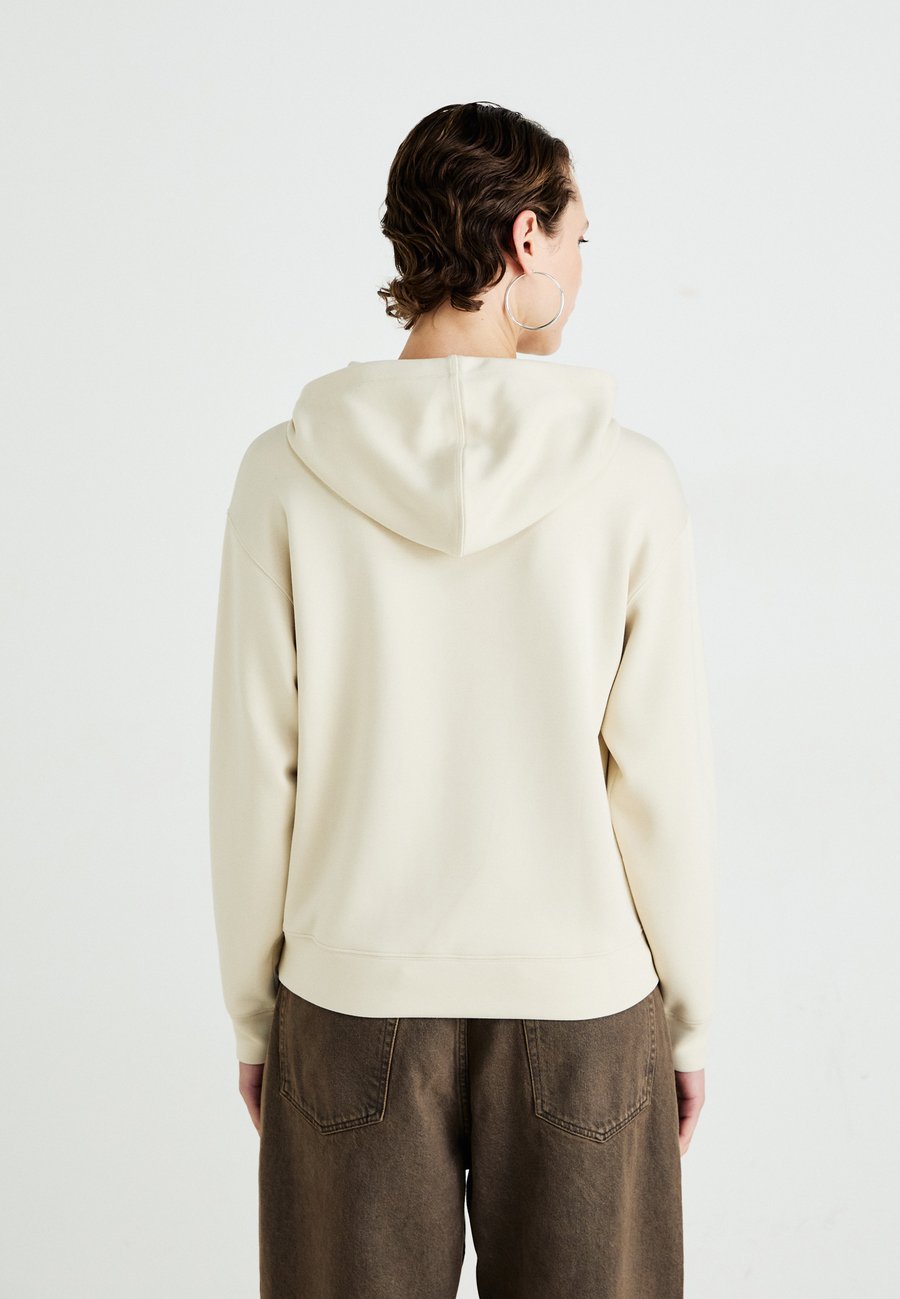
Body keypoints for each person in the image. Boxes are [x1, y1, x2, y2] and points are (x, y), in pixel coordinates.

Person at [209, 101, 718, 1299]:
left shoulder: (285, 475)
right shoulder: (629, 483)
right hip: (583, 1005)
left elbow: (254, 770)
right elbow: (661, 779)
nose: (581, 267)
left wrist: (255, 1018)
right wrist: (689, 1020)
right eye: (580, 239)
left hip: (351, 996)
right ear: (525, 239)